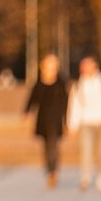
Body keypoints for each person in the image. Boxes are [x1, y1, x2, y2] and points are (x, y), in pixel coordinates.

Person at [68, 55, 101, 192]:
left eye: (87, 65)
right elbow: (74, 106)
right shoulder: (78, 85)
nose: (83, 68)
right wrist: (72, 125)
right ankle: (86, 177)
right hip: (85, 122)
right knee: (86, 150)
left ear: (95, 66)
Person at [24, 54, 69, 188]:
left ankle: (53, 171)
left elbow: (66, 103)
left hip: (56, 119)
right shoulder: (39, 82)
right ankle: (49, 170)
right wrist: (27, 112)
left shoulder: (61, 83)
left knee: (53, 145)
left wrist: (67, 120)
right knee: (46, 145)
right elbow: (32, 99)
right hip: (43, 118)